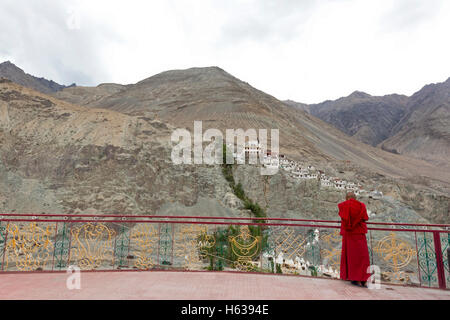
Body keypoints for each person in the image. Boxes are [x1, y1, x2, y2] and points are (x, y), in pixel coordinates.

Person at [338, 191, 371, 287]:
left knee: (351, 256)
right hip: (359, 234)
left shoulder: (343, 206)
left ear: (346, 197)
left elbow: (343, 217)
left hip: (349, 235)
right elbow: (365, 218)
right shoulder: (362, 206)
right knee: (362, 257)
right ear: (355, 198)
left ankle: (355, 279)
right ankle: (364, 279)